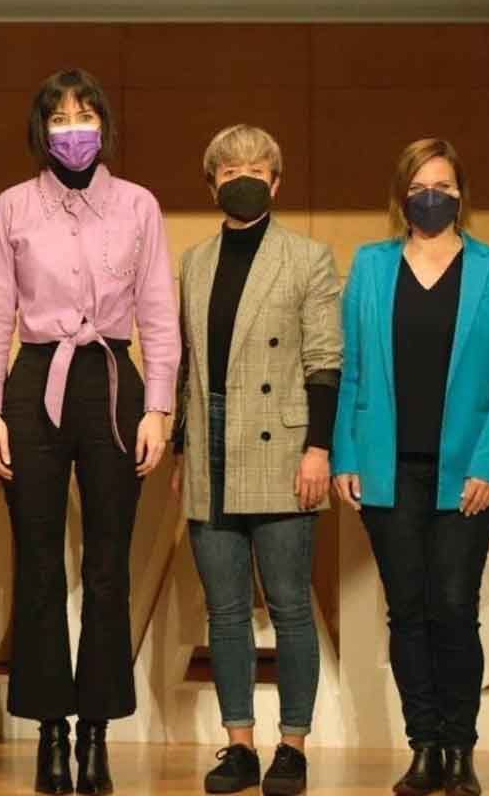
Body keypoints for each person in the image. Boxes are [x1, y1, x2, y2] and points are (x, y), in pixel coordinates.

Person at [0, 67, 180, 795]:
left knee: (108, 564)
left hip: (112, 381)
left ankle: (96, 732)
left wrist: (160, 406)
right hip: (34, 380)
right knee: (36, 562)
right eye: (59, 118)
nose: (73, 130)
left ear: (104, 126)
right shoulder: (12, 208)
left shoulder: (139, 206)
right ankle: (49, 732)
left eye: (84, 116)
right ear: (40, 130)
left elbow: (158, 308)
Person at [332, 139, 489, 796]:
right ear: (402, 193)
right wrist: (346, 454)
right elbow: (352, 366)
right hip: (388, 471)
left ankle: (460, 747)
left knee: (453, 606)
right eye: (420, 185)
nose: (432, 195)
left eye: (443, 184)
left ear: (460, 193)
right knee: (407, 611)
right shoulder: (371, 264)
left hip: (465, 476)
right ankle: (425, 748)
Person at [170, 124, 341, 796]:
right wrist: (185, 446)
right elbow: (188, 367)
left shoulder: (308, 258)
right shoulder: (196, 261)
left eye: (256, 166)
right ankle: (238, 744)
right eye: (229, 166)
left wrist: (319, 449)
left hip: (286, 449)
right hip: (210, 446)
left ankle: (292, 745)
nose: (242, 175)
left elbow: (325, 362)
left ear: (276, 180)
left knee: (293, 606)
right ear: (210, 182)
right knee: (225, 610)